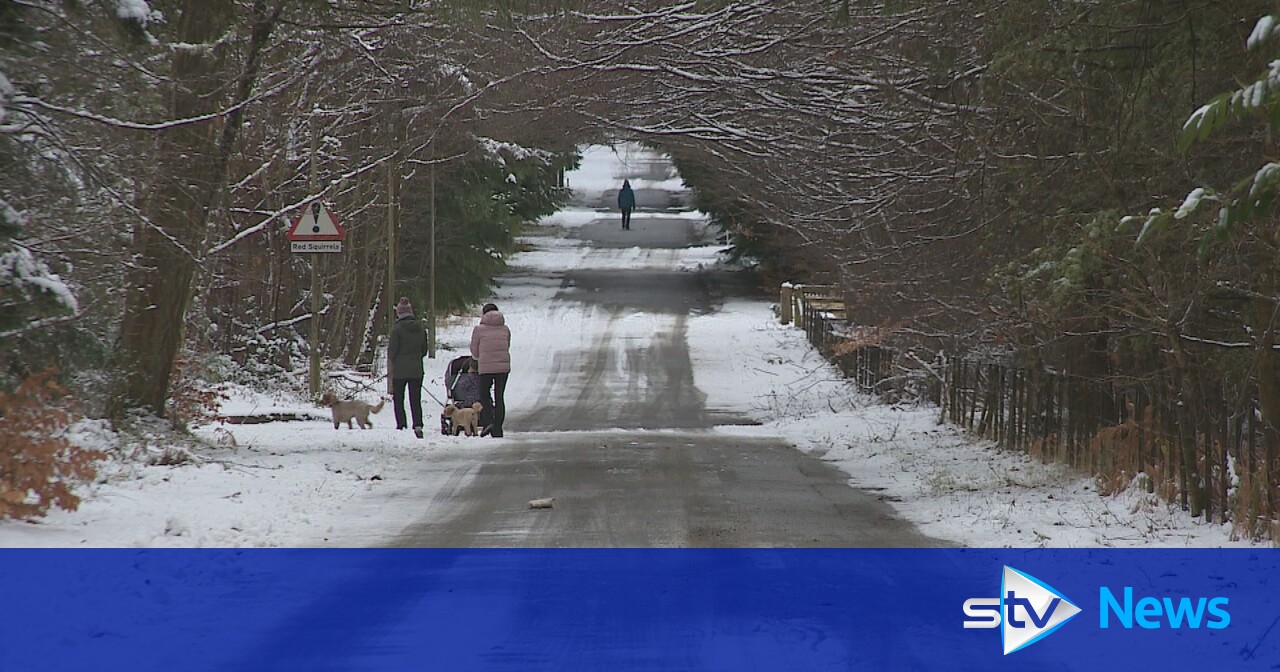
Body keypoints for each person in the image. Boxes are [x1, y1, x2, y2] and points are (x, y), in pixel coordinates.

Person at [469, 302, 511, 437]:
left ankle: (488, 422)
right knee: (500, 396)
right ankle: (498, 427)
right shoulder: (505, 329)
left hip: (486, 367)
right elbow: (507, 345)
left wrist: (479, 358)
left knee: (484, 395)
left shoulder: (478, 330)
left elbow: (474, 351)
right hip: (503, 368)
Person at [388, 296, 428, 438]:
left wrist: (394, 361)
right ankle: (418, 424)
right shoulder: (421, 328)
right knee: (415, 398)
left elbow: (392, 350)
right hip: (417, 369)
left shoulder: (397, 329)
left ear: (399, 313)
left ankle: (401, 425)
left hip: (400, 370)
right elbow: (424, 350)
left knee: (398, 398)